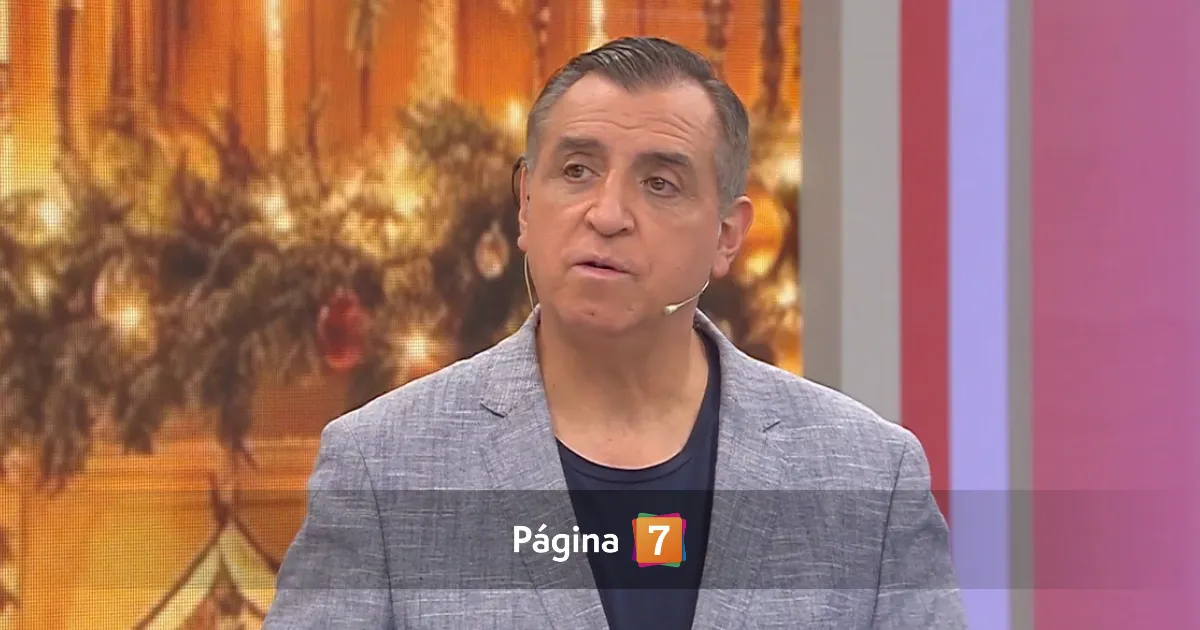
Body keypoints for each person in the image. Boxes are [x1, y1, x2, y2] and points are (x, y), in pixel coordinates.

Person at [264, 37, 966, 630]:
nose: (607, 214)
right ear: (526, 203)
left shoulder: (869, 477)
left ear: (727, 236)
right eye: (577, 171)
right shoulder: (382, 466)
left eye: (660, 183)